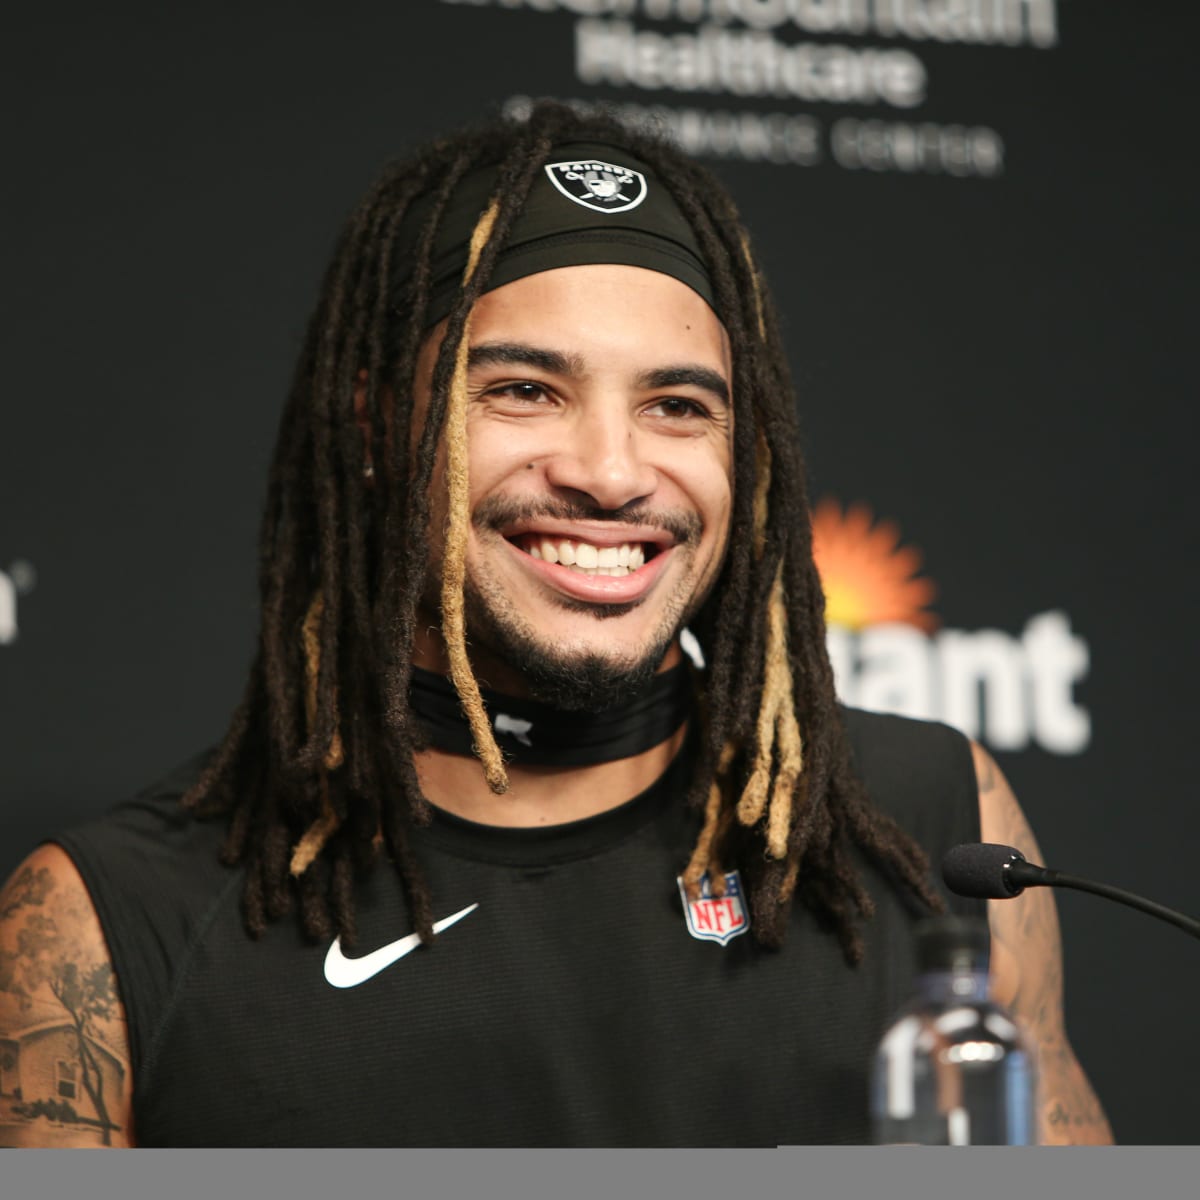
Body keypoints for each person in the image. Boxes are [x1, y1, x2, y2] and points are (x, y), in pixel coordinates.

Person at [0, 103, 1110, 1147]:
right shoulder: (102, 930)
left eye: (678, 406)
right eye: (524, 389)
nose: (612, 473)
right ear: (380, 424)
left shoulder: (931, 831)